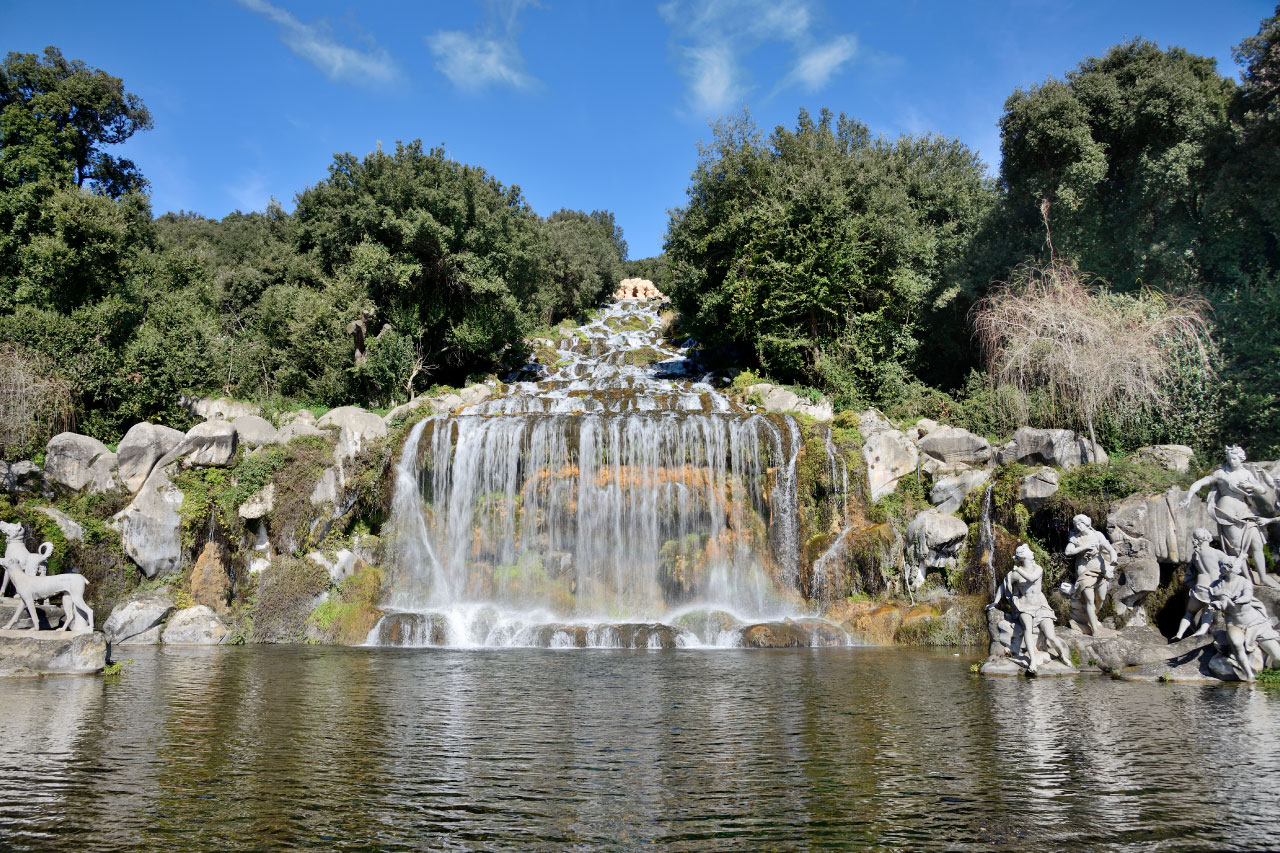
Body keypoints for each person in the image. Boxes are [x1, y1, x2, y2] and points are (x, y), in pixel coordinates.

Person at [1182, 444, 1279, 588]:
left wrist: (1253, 487)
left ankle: (1263, 577)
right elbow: (1201, 482)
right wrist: (1189, 496)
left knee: (1257, 543)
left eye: (1234, 458)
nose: (1231, 461)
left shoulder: (1246, 473)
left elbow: (1263, 490)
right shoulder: (1221, 473)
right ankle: (1247, 578)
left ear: (1241, 458)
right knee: (1237, 548)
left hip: (1245, 511)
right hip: (1226, 512)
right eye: (1229, 458)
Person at [988, 544, 1072, 674]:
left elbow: (1032, 578)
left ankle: (1063, 656)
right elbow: (1002, 586)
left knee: (1051, 635)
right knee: (1027, 627)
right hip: (1024, 605)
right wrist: (995, 601)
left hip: (1040, 606)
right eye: (1029, 552)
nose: (1032, 553)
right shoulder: (1014, 574)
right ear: (1023, 556)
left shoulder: (1037, 569)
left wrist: (1018, 570)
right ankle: (1032, 660)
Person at [1210, 550, 1280, 682]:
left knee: (1278, 657)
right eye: (1221, 566)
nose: (1221, 568)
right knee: (1237, 644)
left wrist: (1238, 600)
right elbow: (1221, 602)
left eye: (1224, 566)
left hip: (1256, 624)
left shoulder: (1244, 582)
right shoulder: (1216, 586)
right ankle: (1250, 676)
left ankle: (1274, 671)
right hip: (1235, 624)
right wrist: (1219, 605)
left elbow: (1247, 597)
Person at [1063, 514, 1117, 635]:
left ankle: (1090, 618)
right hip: (1084, 570)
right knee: (1089, 601)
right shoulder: (1075, 538)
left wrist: (1113, 559)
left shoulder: (1097, 535)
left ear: (1086, 523)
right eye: (1076, 524)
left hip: (1099, 568)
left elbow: (1110, 549)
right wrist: (1084, 547)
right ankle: (1094, 629)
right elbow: (1068, 551)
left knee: (1101, 598)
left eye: (1080, 523)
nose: (1078, 526)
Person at [1171, 528, 1227, 641]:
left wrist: (1192, 585)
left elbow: (1188, 576)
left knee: (1189, 613)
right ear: (1207, 537)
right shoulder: (1217, 553)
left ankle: (1179, 633)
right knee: (1208, 611)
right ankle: (1201, 630)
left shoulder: (1196, 555)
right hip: (1214, 587)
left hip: (1200, 586)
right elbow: (1230, 565)